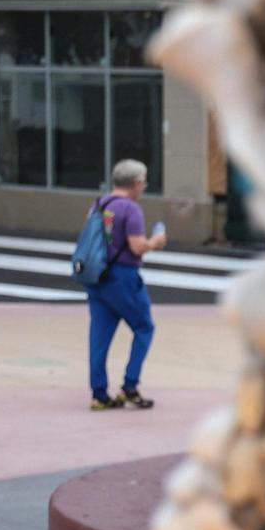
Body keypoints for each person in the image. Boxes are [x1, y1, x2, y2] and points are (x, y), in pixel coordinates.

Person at [85, 159, 167, 410]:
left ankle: (99, 393)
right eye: (143, 182)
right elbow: (137, 246)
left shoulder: (99, 204)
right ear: (136, 183)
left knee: (99, 335)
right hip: (123, 276)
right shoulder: (131, 209)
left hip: (96, 275)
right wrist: (156, 241)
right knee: (144, 327)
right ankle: (130, 386)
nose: (144, 187)